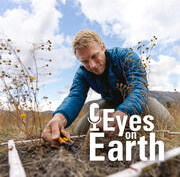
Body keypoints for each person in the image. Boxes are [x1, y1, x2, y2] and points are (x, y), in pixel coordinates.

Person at [42, 29, 173, 145]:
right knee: (81, 129)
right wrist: (59, 117)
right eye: (85, 61)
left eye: (94, 56)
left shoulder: (127, 56)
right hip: (109, 104)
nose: (92, 65)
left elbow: (139, 88)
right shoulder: (82, 73)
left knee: (165, 122)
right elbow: (75, 96)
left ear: (103, 47)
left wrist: (123, 112)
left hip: (136, 102)